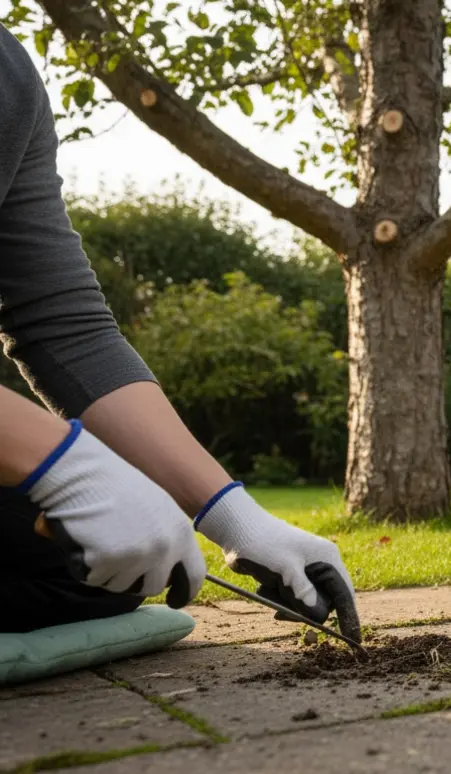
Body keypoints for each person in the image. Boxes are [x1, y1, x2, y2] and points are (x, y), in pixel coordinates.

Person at [0, 26, 361, 640]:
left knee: (97, 569)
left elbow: (62, 323)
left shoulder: (10, 79)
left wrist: (237, 518)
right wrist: (62, 463)